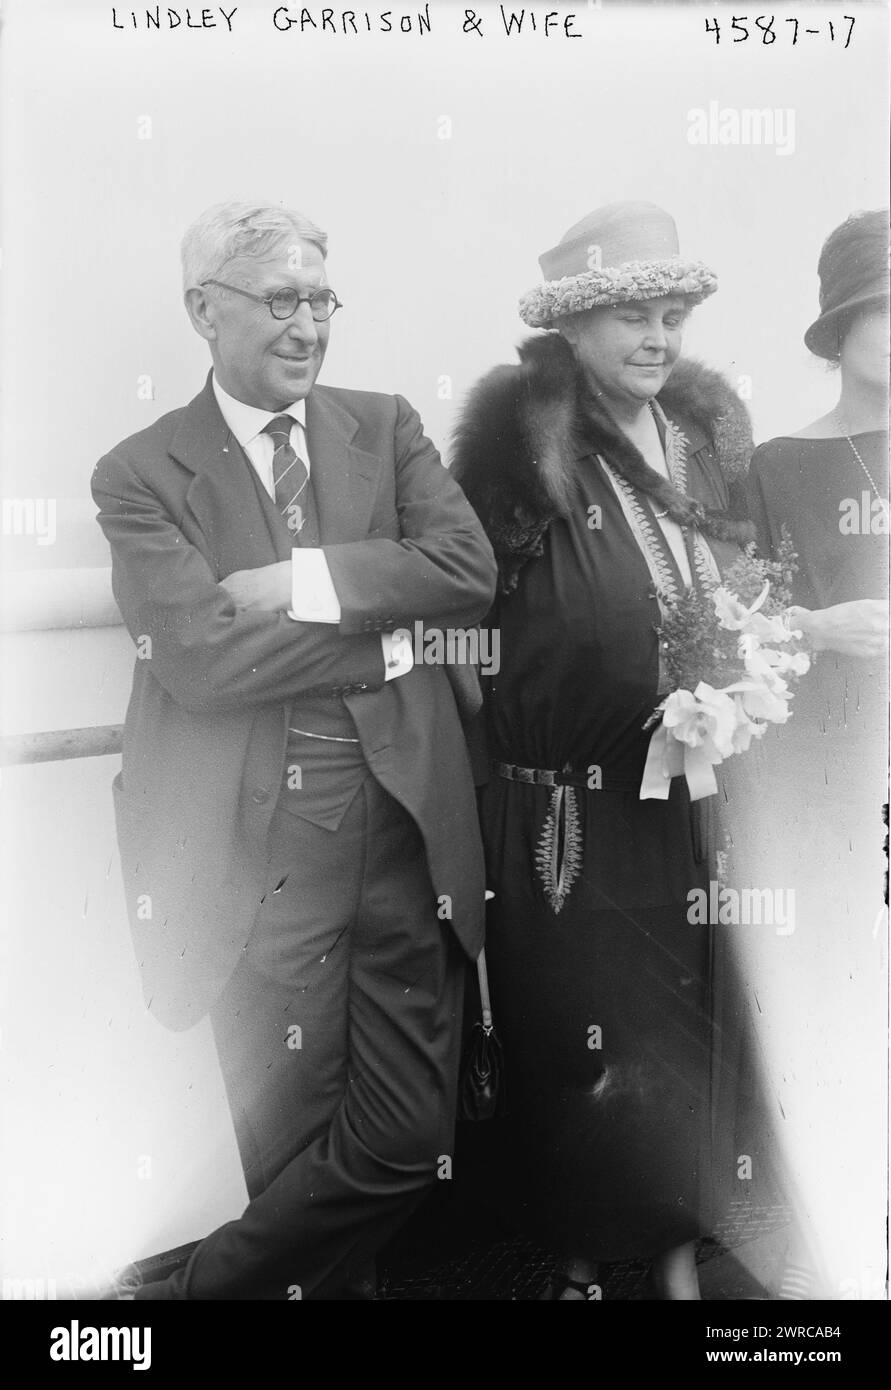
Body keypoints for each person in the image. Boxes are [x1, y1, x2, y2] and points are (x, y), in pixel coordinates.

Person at [91, 199, 497, 1300]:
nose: (310, 326)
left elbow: (465, 569)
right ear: (204, 311)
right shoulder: (138, 472)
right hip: (257, 845)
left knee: (410, 1137)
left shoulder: (386, 423)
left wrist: (299, 585)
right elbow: (202, 663)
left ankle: (185, 1298)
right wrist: (383, 647)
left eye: (323, 298)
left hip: (403, 824)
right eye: (281, 299)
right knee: (289, 1138)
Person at [451, 201, 755, 1300]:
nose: (658, 338)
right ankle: (581, 1264)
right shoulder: (519, 451)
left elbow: (733, 588)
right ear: (572, 330)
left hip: (680, 797)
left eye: (671, 315)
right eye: (631, 314)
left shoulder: (697, 438)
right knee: (577, 1042)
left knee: (681, 1030)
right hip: (564, 815)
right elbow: (466, 618)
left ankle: (675, 1260)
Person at [741, 210, 889, 1294]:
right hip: (839, 780)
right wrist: (819, 627)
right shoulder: (779, 466)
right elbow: (736, 627)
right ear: (837, 332)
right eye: (881, 312)